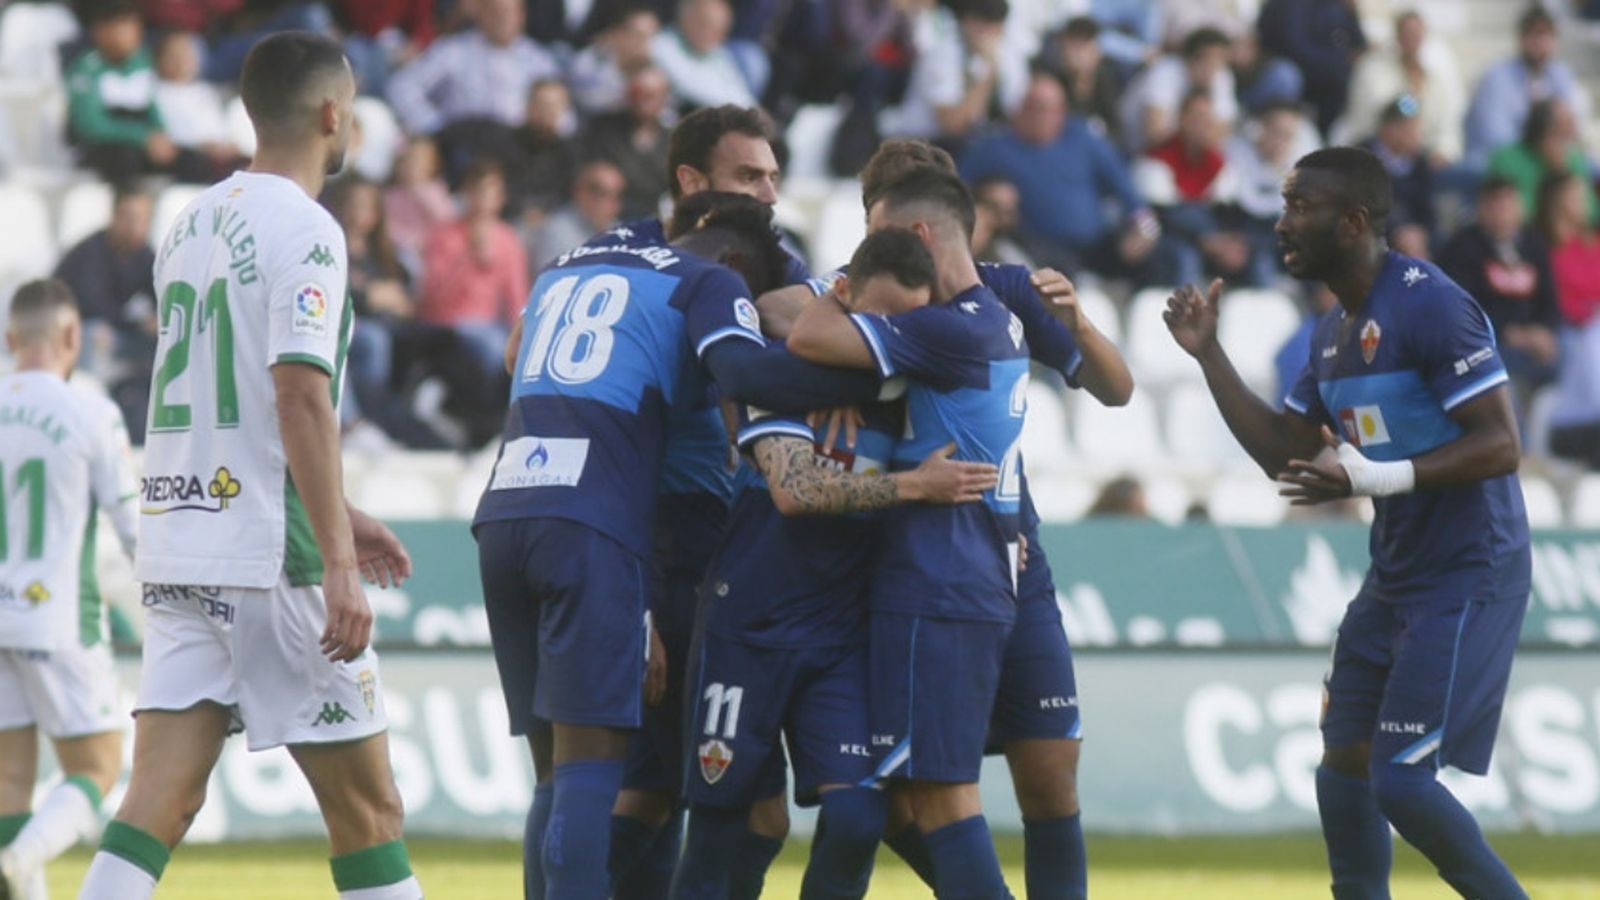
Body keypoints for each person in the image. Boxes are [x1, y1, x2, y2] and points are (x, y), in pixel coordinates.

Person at [77, 32, 421, 900]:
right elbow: (297, 396)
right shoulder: (309, 230)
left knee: (158, 799)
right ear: (333, 115)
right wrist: (337, 557)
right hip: (274, 558)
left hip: (181, 538)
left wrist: (338, 502)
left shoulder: (188, 221)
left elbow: (229, 393)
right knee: (369, 812)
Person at [474, 193, 885, 898]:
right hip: (590, 521)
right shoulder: (709, 281)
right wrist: (881, 374)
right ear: (731, 260)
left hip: (505, 508)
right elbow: (747, 376)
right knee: (591, 772)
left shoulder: (567, 264)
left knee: (554, 769)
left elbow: (516, 356)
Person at [1165, 146, 1530, 899]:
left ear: (1355, 221)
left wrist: (1378, 475)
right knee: (1343, 765)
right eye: (1285, 204)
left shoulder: (1430, 303)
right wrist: (1210, 357)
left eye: (1301, 206)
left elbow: (1502, 445)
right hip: (1395, 573)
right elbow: (1283, 455)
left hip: (1469, 569)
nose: (1283, 222)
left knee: (1399, 781)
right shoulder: (1333, 334)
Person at [671, 228, 1000, 900]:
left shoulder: (907, 388)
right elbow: (795, 492)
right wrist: (913, 485)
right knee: (724, 822)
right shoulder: (782, 379)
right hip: (749, 627)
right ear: (842, 295)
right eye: (877, 319)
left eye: (905, 322)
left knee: (856, 814)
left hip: (841, 635)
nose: (889, 336)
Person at [852, 136, 1131, 900]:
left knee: (1049, 773)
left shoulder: (1004, 289)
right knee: (907, 791)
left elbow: (1116, 389)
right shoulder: (869, 290)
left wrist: (1080, 324)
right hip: (922, 558)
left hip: (1015, 555)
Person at [787, 169, 1029, 899]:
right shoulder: (995, 318)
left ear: (917, 238)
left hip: (941, 578)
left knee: (940, 799)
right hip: (963, 573)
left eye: (877, 235)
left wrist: (838, 294)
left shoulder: (946, 329)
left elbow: (805, 334)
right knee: (894, 801)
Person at [0, 280, 138, 899]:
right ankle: (18, 859)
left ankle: (17, 862)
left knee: (7, 780)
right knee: (98, 765)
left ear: (9, 341)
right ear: (72, 337)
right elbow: (131, 521)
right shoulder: (89, 410)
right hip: (58, 616)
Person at [960, 72, 1179, 285]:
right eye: (1037, 108)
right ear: (1021, 109)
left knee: (1167, 257)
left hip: (1097, 243)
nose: (1044, 117)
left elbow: (1126, 189)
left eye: (1052, 110)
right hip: (1038, 245)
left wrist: (1144, 228)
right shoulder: (995, 147)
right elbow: (959, 186)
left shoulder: (1082, 137)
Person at [1438, 176, 1561, 408]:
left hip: (1537, 336)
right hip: (1488, 342)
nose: (1503, 213)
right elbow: (1462, 307)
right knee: (1502, 380)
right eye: (1496, 206)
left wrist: (1544, 330)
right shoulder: (1461, 248)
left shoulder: (1534, 243)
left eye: (1509, 205)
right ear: (1481, 208)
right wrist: (1510, 332)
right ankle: (1518, 442)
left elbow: (1549, 297)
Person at [52, 180, 159, 439]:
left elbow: (161, 293)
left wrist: (158, 321)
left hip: (118, 335)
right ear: (114, 216)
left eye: (143, 219)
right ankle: (93, 414)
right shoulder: (90, 252)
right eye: (129, 217)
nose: (135, 226)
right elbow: (92, 305)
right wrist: (140, 323)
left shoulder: (143, 254)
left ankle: (142, 411)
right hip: (68, 337)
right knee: (98, 334)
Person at [66, 1, 209, 183]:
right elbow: (91, 126)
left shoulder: (144, 65)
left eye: (132, 26)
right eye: (120, 27)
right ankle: (130, 208)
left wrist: (160, 135)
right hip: (103, 149)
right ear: (100, 31)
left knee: (191, 160)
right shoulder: (86, 70)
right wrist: (142, 137)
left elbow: (155, 109)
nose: (128, 35)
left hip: (143, 145)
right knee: (123, 157)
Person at [385, 0, 561, 136]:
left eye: (509, 12)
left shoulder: (540, 61)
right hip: (465, 143)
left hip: (521, 147)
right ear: (480, 14)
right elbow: (403, 86)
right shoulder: (453, 51)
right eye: (495, 12)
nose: (502, 20)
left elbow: (565, 116)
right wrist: (435, 128)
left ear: (521, 16)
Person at [1464, 4, 1591, 171]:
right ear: (1520, 38)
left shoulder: (1561, 75)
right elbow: (1495, 137)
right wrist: (1538, 153)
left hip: (1548, 157)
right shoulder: (1496, 77)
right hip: (1499, 162)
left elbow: (1570, 126)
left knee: (1589, 168)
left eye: (1545, 35)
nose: (1539, 43)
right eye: (1534, 35)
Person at [1338, 10, 1464, 164]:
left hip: (1426, 159)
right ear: (1397, 35)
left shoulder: (1437, 74)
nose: (1412, 39)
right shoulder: (1373, 69)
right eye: (1407, 33)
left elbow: (1448, 123)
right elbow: (1390, 113)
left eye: (1416, 33)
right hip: (1378, 154)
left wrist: (1443, 151)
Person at [1118, 25, 1238, 154]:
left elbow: (1222, 134)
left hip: (1184, 154)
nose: (1214, 67)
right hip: (1131, 148)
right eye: (1208, 59)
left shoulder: (1221, 76)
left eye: (1220, 60)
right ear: (1191, 58)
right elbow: (1154, 133)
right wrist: (1199, 134)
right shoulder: (1164, 71)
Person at [1255, 0, 1367, 136]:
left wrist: (1352, 13)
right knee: (1288, 75)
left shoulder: (1335, 6)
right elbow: (1296, 47)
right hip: (1285, 66)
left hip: (1322, 68)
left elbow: (1359, 43)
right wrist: (1338, 60)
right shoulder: (1291, 5)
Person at [1487, 99, 1598, 228]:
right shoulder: (1506, 160)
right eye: (1559, 134)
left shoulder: (1574, 160)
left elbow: (1591, 211)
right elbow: (1512, 212)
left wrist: (1563, 172)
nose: (1567, 143)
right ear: (1540, 132)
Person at [583, 65, 675, 220]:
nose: (642, 101)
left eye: (650, 95)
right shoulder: (603, 129)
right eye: (636, 93)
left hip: (654, 220)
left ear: (664, 99)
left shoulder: (672, 140)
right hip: (604, 216)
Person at [651, 0, 766, 111]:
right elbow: (688, 87)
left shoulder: (718, 56)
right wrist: (731, 105)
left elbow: (743, 98)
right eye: (706, 25)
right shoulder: (664, 43)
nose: (712, 36)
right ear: (687, 16)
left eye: (719, 31)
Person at [530, 160, 626, 271]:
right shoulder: (555, 233)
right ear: (582, 192)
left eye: (618, 195)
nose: (613, 204)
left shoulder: (618, 232)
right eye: (603, 194)